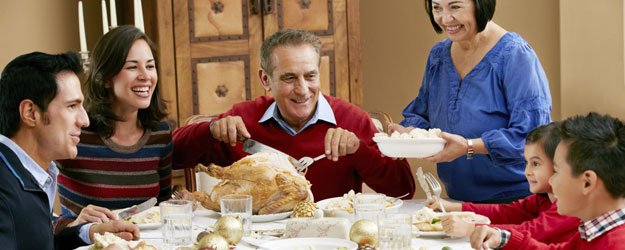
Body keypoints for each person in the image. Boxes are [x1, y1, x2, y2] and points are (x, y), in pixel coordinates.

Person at [173, 29, 416, 201]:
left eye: (310, 76)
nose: (302, 90)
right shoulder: (244, 118)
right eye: (289, 78)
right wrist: (209, 130)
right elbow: (171, 156)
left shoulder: (352, 119)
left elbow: (404, 190)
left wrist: (359, 151)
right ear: (266, 79)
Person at [389, 0, 552, 203]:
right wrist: (410, 133)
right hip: (458, 200)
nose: (445, 19)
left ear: (481, 4)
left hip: (517, 203)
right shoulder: (438, 55)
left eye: (455, 7)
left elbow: (533, 137)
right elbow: (422, 114)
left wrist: (469, 146)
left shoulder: (515, 55)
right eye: (437, 8)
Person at [0, 52, 139, 250]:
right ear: (31, 113)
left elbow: (39, 242)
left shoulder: (27, 172)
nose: (85, 120)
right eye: (72, 106)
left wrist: (89, 233)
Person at [54, 25, 173, 228]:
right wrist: (74, 224)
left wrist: (180, 202)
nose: (146, 76)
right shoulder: (76, 132)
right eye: (132, 67)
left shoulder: (160, 135)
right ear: (105, 78)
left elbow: (161, 206)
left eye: (150, 66)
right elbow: (36, 217)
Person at [470, 112, 625, 249]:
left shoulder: (615, 244)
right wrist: (503, 238)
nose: (551, 181)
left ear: (587, 183)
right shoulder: (593, 231)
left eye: (556, 171)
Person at [427, 123, 579, 244]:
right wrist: (453, 207)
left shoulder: (570, 206)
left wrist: (472, 229)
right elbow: (507, 211)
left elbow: (530, 231)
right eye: (527, 163)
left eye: (536, 164)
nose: (527, 171)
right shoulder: (544, 198)